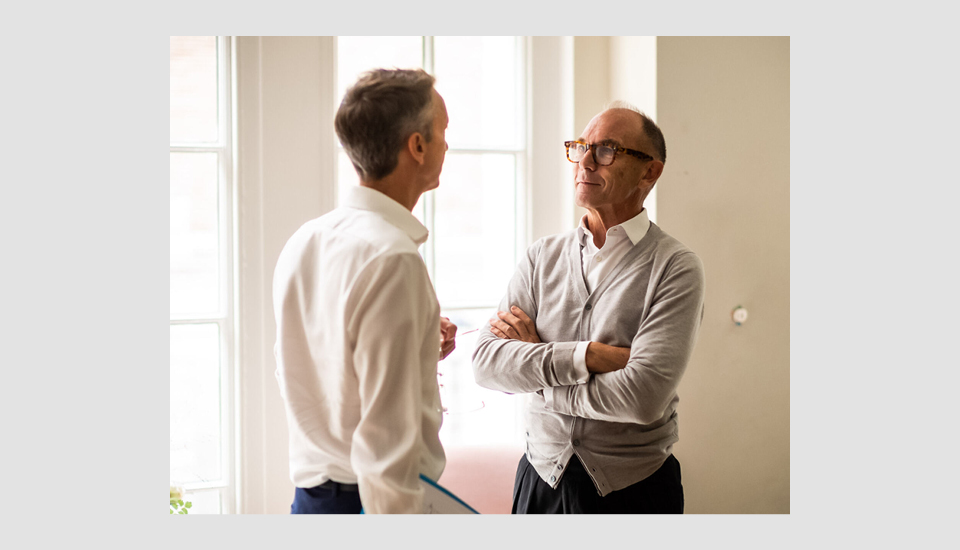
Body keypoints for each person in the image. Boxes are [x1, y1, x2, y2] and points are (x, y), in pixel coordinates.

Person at [472, 102, 705, 514]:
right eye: (580, 147)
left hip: (635, 490)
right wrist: (589, 356)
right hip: (538, 479)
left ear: (650, 171)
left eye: (606, 150)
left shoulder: (676, 267)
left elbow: (642, 397)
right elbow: (487, 363)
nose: (584, 161)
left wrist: (538, 376)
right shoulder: (540, 256)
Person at [273, 68, 456, 514]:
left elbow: (316, 367)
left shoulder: (306, 238)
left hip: (312, 500)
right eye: (442, 132)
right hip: (371, 505)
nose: (447, 145)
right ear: (416, 146)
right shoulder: (392, 258)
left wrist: (417, 349)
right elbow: (385, 452)